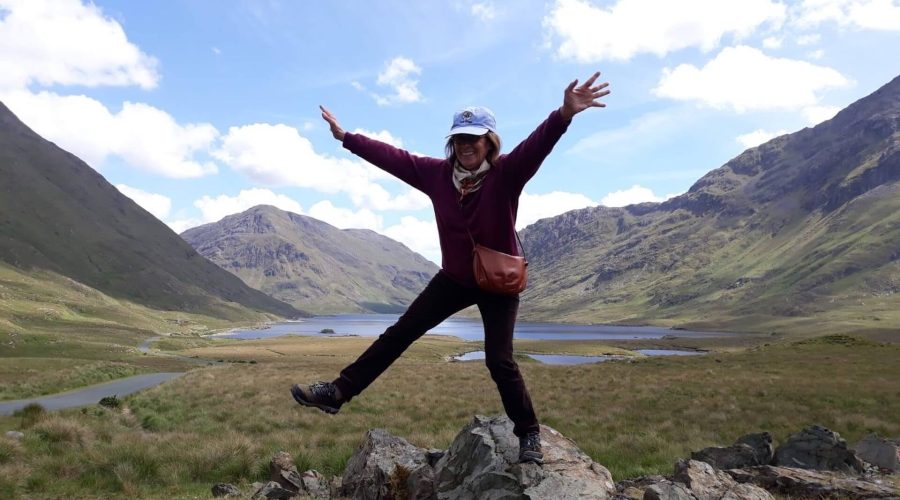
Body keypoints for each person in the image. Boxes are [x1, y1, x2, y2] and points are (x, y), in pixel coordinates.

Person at [292, 72, 610, 465]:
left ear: (488, 142)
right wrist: (347, 139)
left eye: (473, 138)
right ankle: (338, 393)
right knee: (401, 332)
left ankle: (528, 434)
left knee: (500, 360)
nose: (465, 146)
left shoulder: (507, 174)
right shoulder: (436, 176)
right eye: (459, 138)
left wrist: (564, 114)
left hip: (499, 283)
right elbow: (395, 158)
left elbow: (537, 145)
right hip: (455, 278)